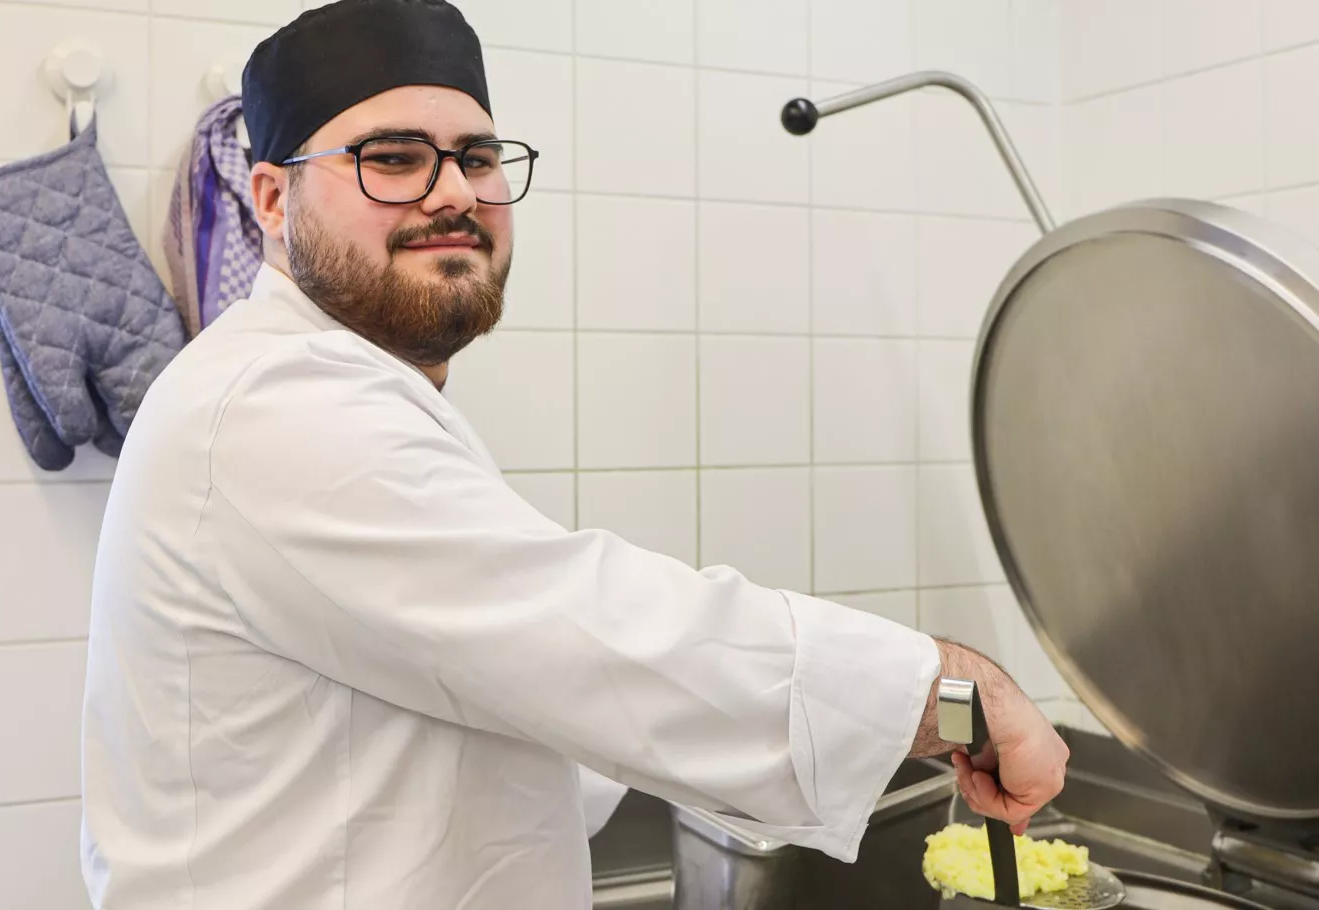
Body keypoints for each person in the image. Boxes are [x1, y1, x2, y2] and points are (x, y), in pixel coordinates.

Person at [79, 0, 1070, 906]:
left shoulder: (354, 392)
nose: (452, 194)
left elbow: (538, 686)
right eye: (392, 158)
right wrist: (949, 696)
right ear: (270, 199)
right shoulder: (276, 407)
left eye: (476, 157)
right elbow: (595, 636)